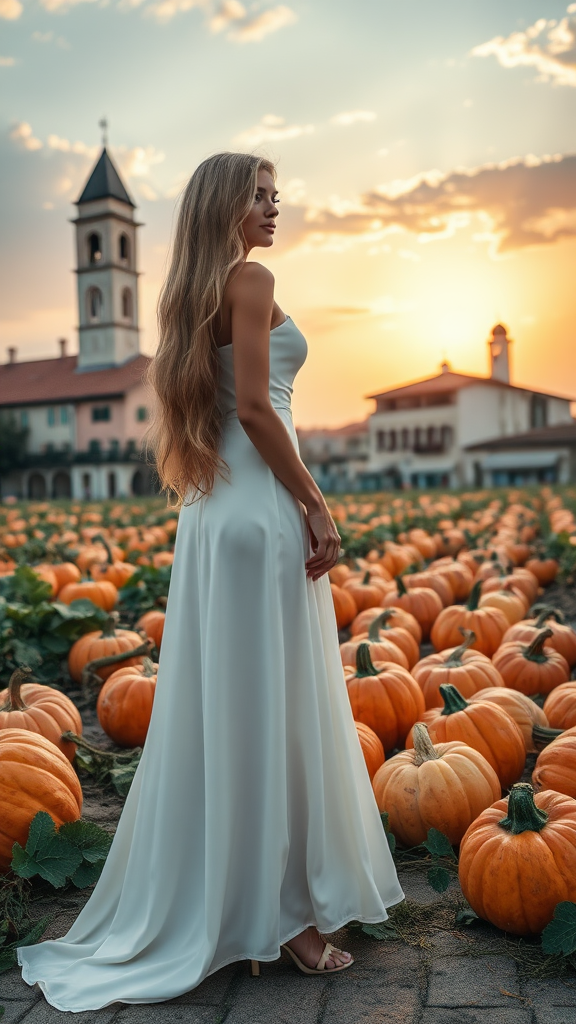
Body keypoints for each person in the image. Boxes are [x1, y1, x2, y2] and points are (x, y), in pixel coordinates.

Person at [17, 152, 404, 1010]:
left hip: (213, 514)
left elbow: (230, 411)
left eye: (276, 194)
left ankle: (244, 901)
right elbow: (261, 409)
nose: (275, 207)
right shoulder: (253, 278)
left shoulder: (190, 294)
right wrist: (316, 502)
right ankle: (290, 917)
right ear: (228, 207)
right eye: (261, 196)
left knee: (231, 709)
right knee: (274, 707)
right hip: (262, 509)